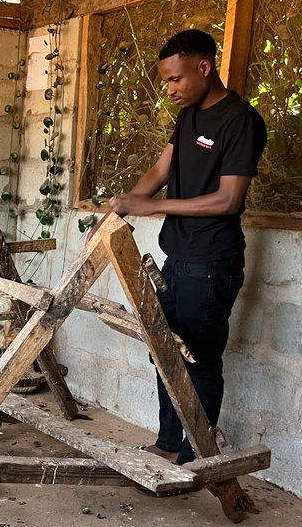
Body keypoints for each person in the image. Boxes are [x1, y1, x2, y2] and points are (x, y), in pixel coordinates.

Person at [107, 29, 267, 465]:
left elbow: (228, 199)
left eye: (175, 79)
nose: (169, 89)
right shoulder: (189, 116)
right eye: (165, 82)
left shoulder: (240, 120)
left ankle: (195, 457)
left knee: (199, 359)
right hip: (176, 258)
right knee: (166, 349)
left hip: (212, 262)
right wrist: (118, 210)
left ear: (204, 67)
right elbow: (161, 169)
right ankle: (167, 442)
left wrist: (152, 207)